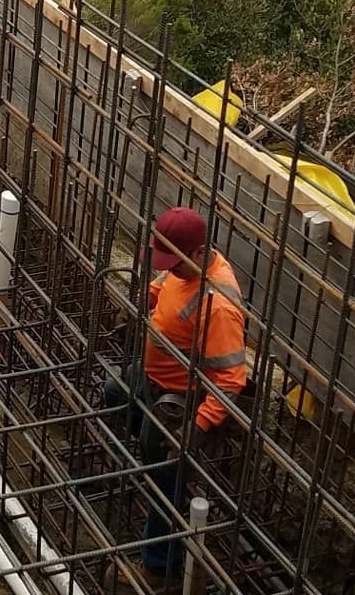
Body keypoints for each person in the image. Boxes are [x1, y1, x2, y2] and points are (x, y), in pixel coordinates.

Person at [103, 207, 247, 581]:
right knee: (115, 394)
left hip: (181, 397)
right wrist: (145, 301)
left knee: (164, 478)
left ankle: (158, 564)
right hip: (151, 377)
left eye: (174, 261)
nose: (168, 267)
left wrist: (197, 426)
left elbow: (231, 379)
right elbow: (165, 281)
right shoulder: (183, 264)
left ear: (200, 253)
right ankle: (152, 462)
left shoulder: (219, 308)